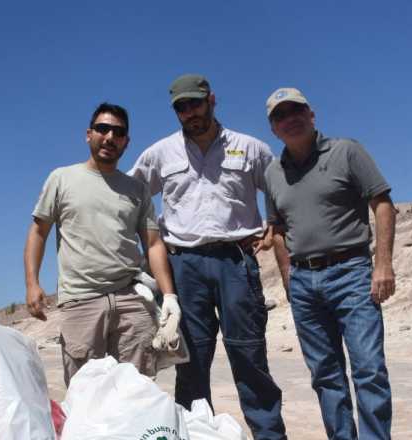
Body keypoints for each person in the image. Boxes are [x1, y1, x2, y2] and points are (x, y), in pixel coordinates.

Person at [129, 74, 287, 439]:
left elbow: (282, 186)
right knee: (192, 362)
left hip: (236, 261)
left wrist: (275, 224)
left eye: (195, 104)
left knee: (249, 357)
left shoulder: (250, 148)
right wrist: (145, 245)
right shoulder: (159, 154)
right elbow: (129, 198)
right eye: (181, 108)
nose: (189, 113)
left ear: (211, 100)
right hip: (183, 266)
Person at [263, 87, 396, 439]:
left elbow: (382, 204)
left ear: (311, 115)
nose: (289, 119)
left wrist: (383, 264)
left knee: (368, 369)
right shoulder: (273, 173)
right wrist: (288, 277)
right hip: (304, 283)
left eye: (296, 111)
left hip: (351, 273)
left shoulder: (346, 152)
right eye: (280, 116)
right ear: (273, 128)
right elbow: (277, 229)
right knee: (324, 375)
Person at [23, 102, 179, 386]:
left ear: (126, 142)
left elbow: (153, 244)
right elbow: (38, 232)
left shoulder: (137, 189)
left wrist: (169, 297)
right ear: (88, 134)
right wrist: (32, 283)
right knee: (86, 396)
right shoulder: (62, 178)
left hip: (131, 299)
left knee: (137, 392)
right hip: (80, 301)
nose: (109, 137)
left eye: (118, 132)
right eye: (102, 129)